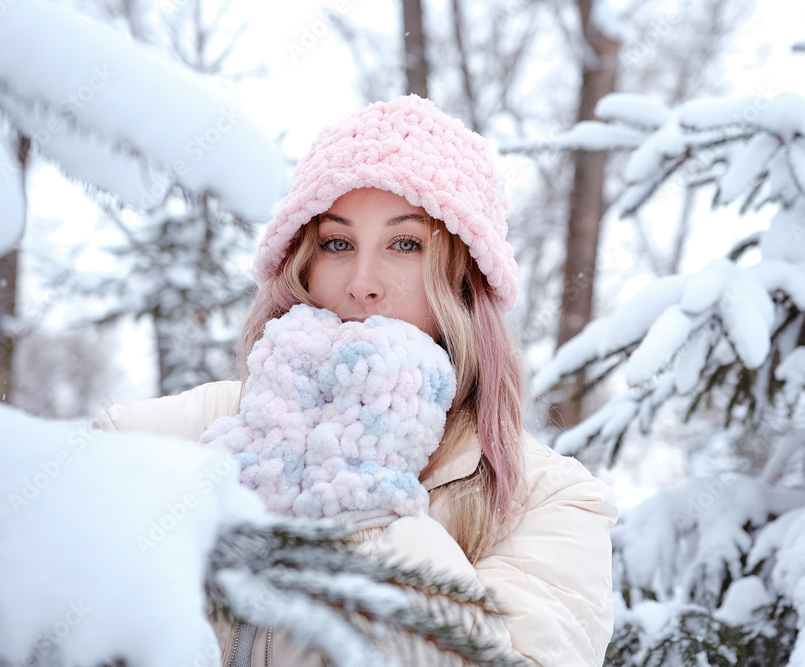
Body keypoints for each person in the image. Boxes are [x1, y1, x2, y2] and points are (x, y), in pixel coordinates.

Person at [92, 95, 619, 667]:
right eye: (337, 243)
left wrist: (365, 495)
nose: (363, 283)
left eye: (406, 244)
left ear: (465, 279)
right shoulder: (151, 440)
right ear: (303, 266)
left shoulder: (551, 500)